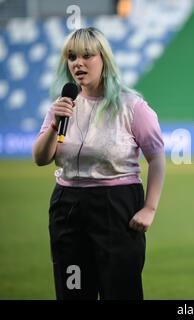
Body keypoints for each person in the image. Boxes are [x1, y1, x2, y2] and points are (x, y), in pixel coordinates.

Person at [32, 27, 165, 300]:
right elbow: (41, 158)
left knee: (120, 291)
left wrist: (150, 208)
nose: (77, 63)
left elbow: (157, 158)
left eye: (86, 55)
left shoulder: (132, 107)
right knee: (73, 291)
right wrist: (55, 123)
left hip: (116, 206)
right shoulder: (62, 105)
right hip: (67, 206)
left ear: (103, 59)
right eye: (71, 57)